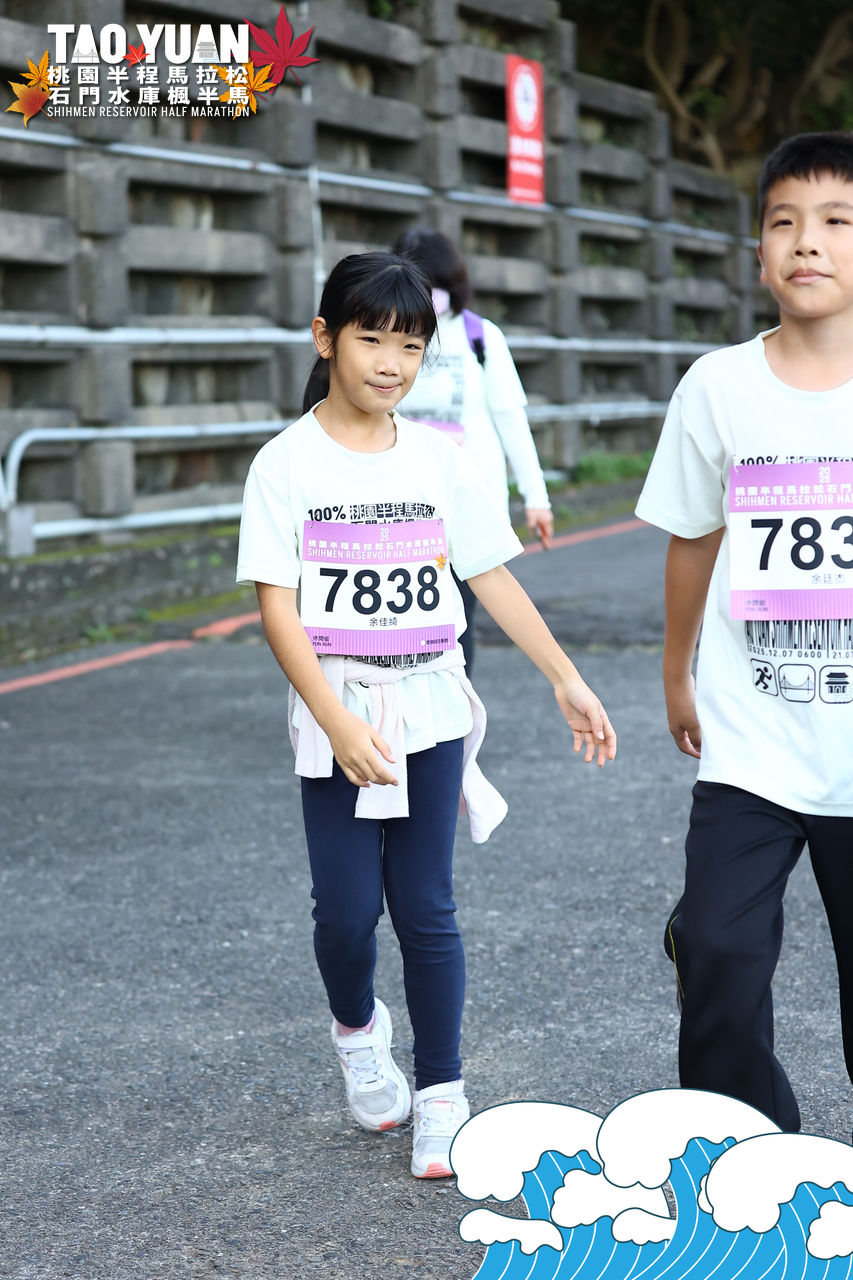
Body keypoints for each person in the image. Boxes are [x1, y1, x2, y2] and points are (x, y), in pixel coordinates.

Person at [236, 251, 617, 1178]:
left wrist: (564, 677)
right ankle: (358, 1034)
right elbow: (277, 608)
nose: (391, 363)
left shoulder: (439, 460)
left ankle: (443, 1092)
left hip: (432, 703)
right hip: (338, 709)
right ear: (325, 339)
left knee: (426, 906)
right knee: (344, 914)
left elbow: (490, 575)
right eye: (372, 339)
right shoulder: (285, 464)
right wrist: (334, 721)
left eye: (411, 346)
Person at [635, 131, 853, 1134]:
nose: (807, 241)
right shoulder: (717, 387)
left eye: (836, 221)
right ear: (757, 251)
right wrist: (675, 671)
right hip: (752, 733)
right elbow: (693, 538)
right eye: (783, 221)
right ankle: (745, 1149)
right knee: (720, 949)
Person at [393, 227, 554, 673]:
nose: (430, 295)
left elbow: (511, 421)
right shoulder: (390, 337)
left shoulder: (481, 337)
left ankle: (457, 709)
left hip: (471, 506)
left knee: (459, 623)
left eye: (436, 283)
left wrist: (537, 499)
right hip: (404, 508)